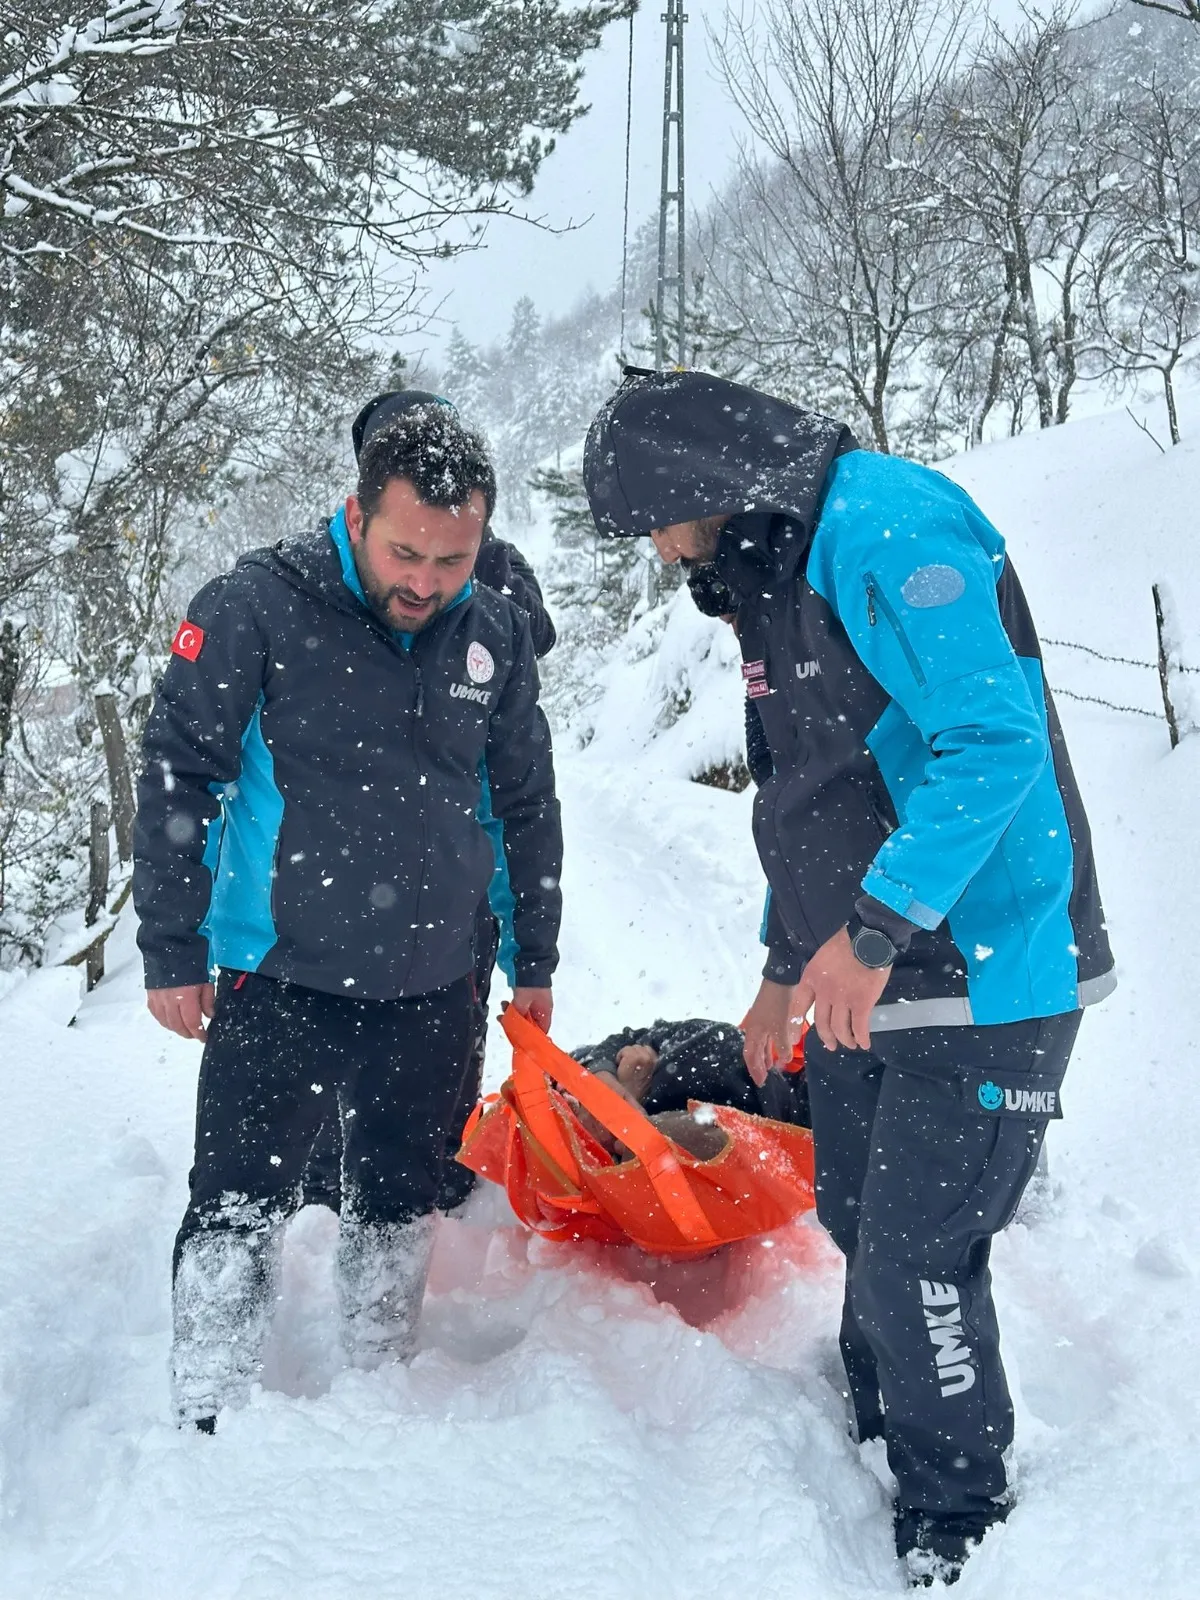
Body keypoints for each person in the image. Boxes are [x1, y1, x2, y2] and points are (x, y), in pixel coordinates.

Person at [582, 368, 1114, 1587]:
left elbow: (994, 739)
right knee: (858, 1219)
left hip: (990, 969)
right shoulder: (769, 573)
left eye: (655, 519)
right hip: (868, 970)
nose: (662, 550)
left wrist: (871, 930)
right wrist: (784, 964)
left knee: (918, 1255)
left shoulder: (888, 526)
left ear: (699, 482)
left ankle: (957, 1509)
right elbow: (813, 794)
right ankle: (885, 1428)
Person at [133, 401, 562, 1429]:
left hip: (431, 987)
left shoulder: (493, 632)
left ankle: (381, 1388)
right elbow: (179, 772)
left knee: (396, 1201)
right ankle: (207, 1413)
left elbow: (523, 804)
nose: (425, 581)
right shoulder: (256, 606)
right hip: (281, 974)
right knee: (237, 1202)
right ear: (356, 513)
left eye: (452, 561)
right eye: (406, 551)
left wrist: (533, 953)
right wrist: (170, 944)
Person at [301, 389, 558, 1215]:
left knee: (437, 1014)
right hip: (390, 852)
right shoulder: (355, 564)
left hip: (462, 846)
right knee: (381, 1015)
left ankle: (420, 1161)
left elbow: (528, 657)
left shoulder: (484, 568)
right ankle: (374, 1164)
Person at [572, 1015, 810, 1134]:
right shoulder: (731, 1043)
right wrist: (602, 1074)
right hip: (571, 1078)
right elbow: (626, 1039)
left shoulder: (768, 1142)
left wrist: (628, 1111)